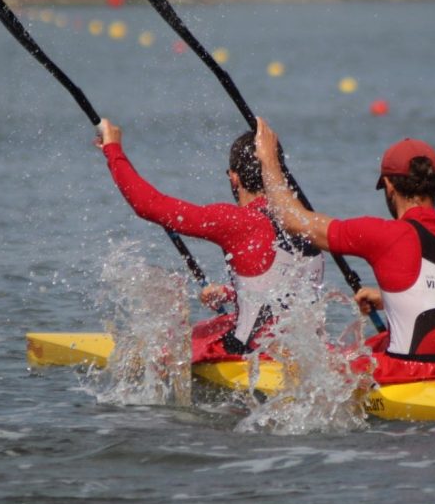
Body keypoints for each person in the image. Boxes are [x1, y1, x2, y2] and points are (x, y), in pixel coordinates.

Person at [254, 118, 435, 385]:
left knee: (316, 362)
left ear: (389, 186)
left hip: (409, 375)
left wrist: (269, 160)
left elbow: (291, 219)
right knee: (371, 344)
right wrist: (389, 299)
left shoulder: (388, 235)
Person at [94, 118, 324, 363]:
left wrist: (113, 149)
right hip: (309, 356)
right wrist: (230, 293)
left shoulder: (237, 221)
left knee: (172, 343)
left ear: (233, 178)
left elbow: (149, 205)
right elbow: (284, 292)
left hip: (255, 357)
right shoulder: (310, 223)